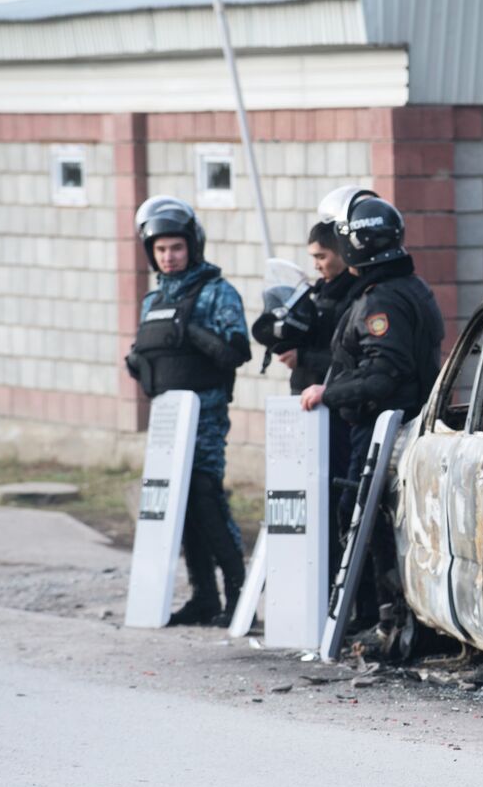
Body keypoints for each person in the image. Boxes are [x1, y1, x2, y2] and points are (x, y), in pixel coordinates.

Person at [300, 188, 445, 643]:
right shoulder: (407, 286)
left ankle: (386, 620)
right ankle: (387, 618)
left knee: (367, 517)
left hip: (382, 427)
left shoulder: (381, 300)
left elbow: (383, 375)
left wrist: (327, 392)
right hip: (400, 424)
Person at [124, 196, 252, 626]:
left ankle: (239, 595)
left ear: (192, 246)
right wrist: (138, 363)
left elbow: (237, 351)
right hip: (167, 421)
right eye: (160, 249)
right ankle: (204, 597)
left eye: (176, 247)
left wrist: (190, 331)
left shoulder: (217, 292)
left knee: (205, 497)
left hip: (206, 416)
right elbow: (147, 355)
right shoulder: (152, 300)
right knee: (180, 506)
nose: (169, 256)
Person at [251, 222, 356, 581]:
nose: (316, 265)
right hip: (304, 407)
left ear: (342, 253)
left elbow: (348, 361)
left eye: (322, 256)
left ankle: (332, 582)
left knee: (331, 502)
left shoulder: (354, 297)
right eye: (313, 257)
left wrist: (304, 357)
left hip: (336, 413)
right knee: (303, 499)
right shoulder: (316, 293)